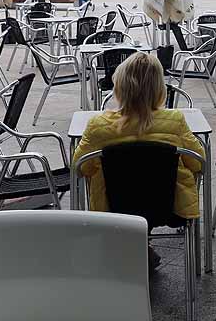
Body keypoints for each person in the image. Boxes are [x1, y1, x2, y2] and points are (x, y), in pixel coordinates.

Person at [71, 52, 205, 269]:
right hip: (167, 205)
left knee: (123, 191)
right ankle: (142, 248)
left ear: (119, 86)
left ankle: (134, 249)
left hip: (114, 207)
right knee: (151, 191)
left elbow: (80, 167)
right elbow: (199, 163)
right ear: (160, 88)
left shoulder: (98, 125)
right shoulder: (176, 121)